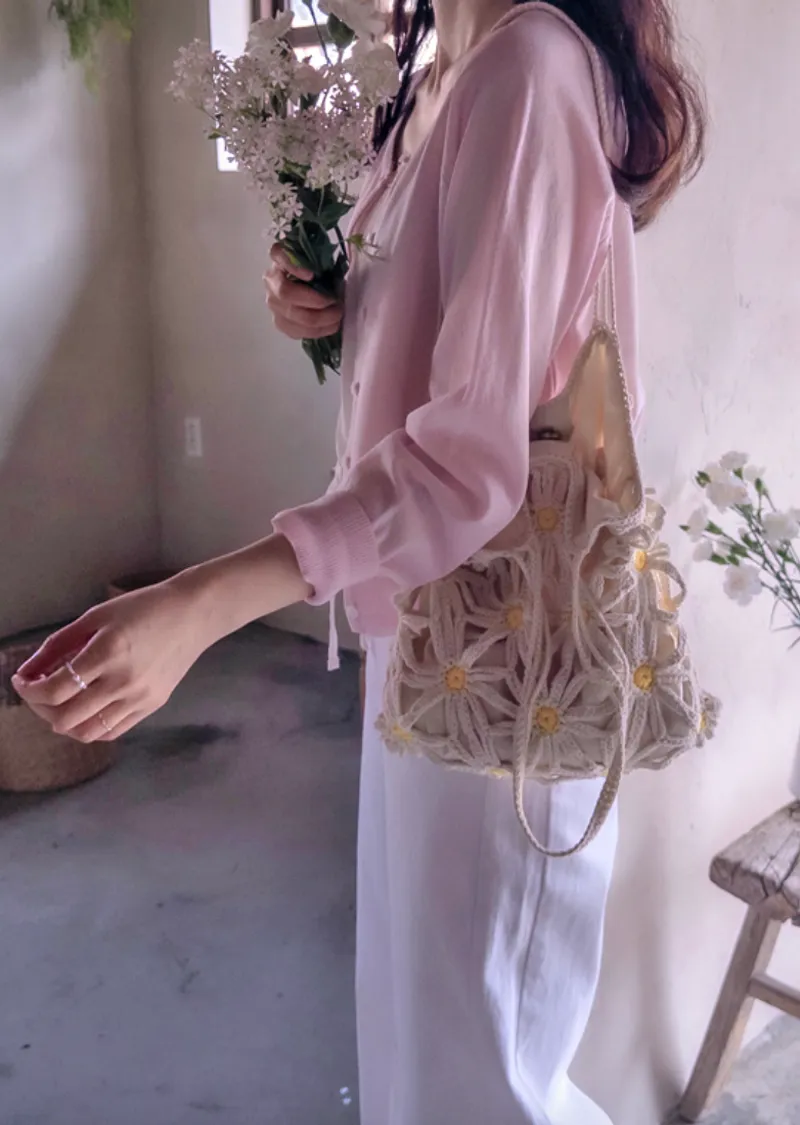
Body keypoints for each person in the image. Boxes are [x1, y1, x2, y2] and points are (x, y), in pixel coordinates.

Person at [14, 1, 705, 1121]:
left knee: (479, 1074)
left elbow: (466, 465)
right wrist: (335, 306)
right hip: (430, 635)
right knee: (419, 1039)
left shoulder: (528, 69)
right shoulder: (439, 66)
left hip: (509, 658)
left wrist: (202, 603)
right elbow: (456, 358)